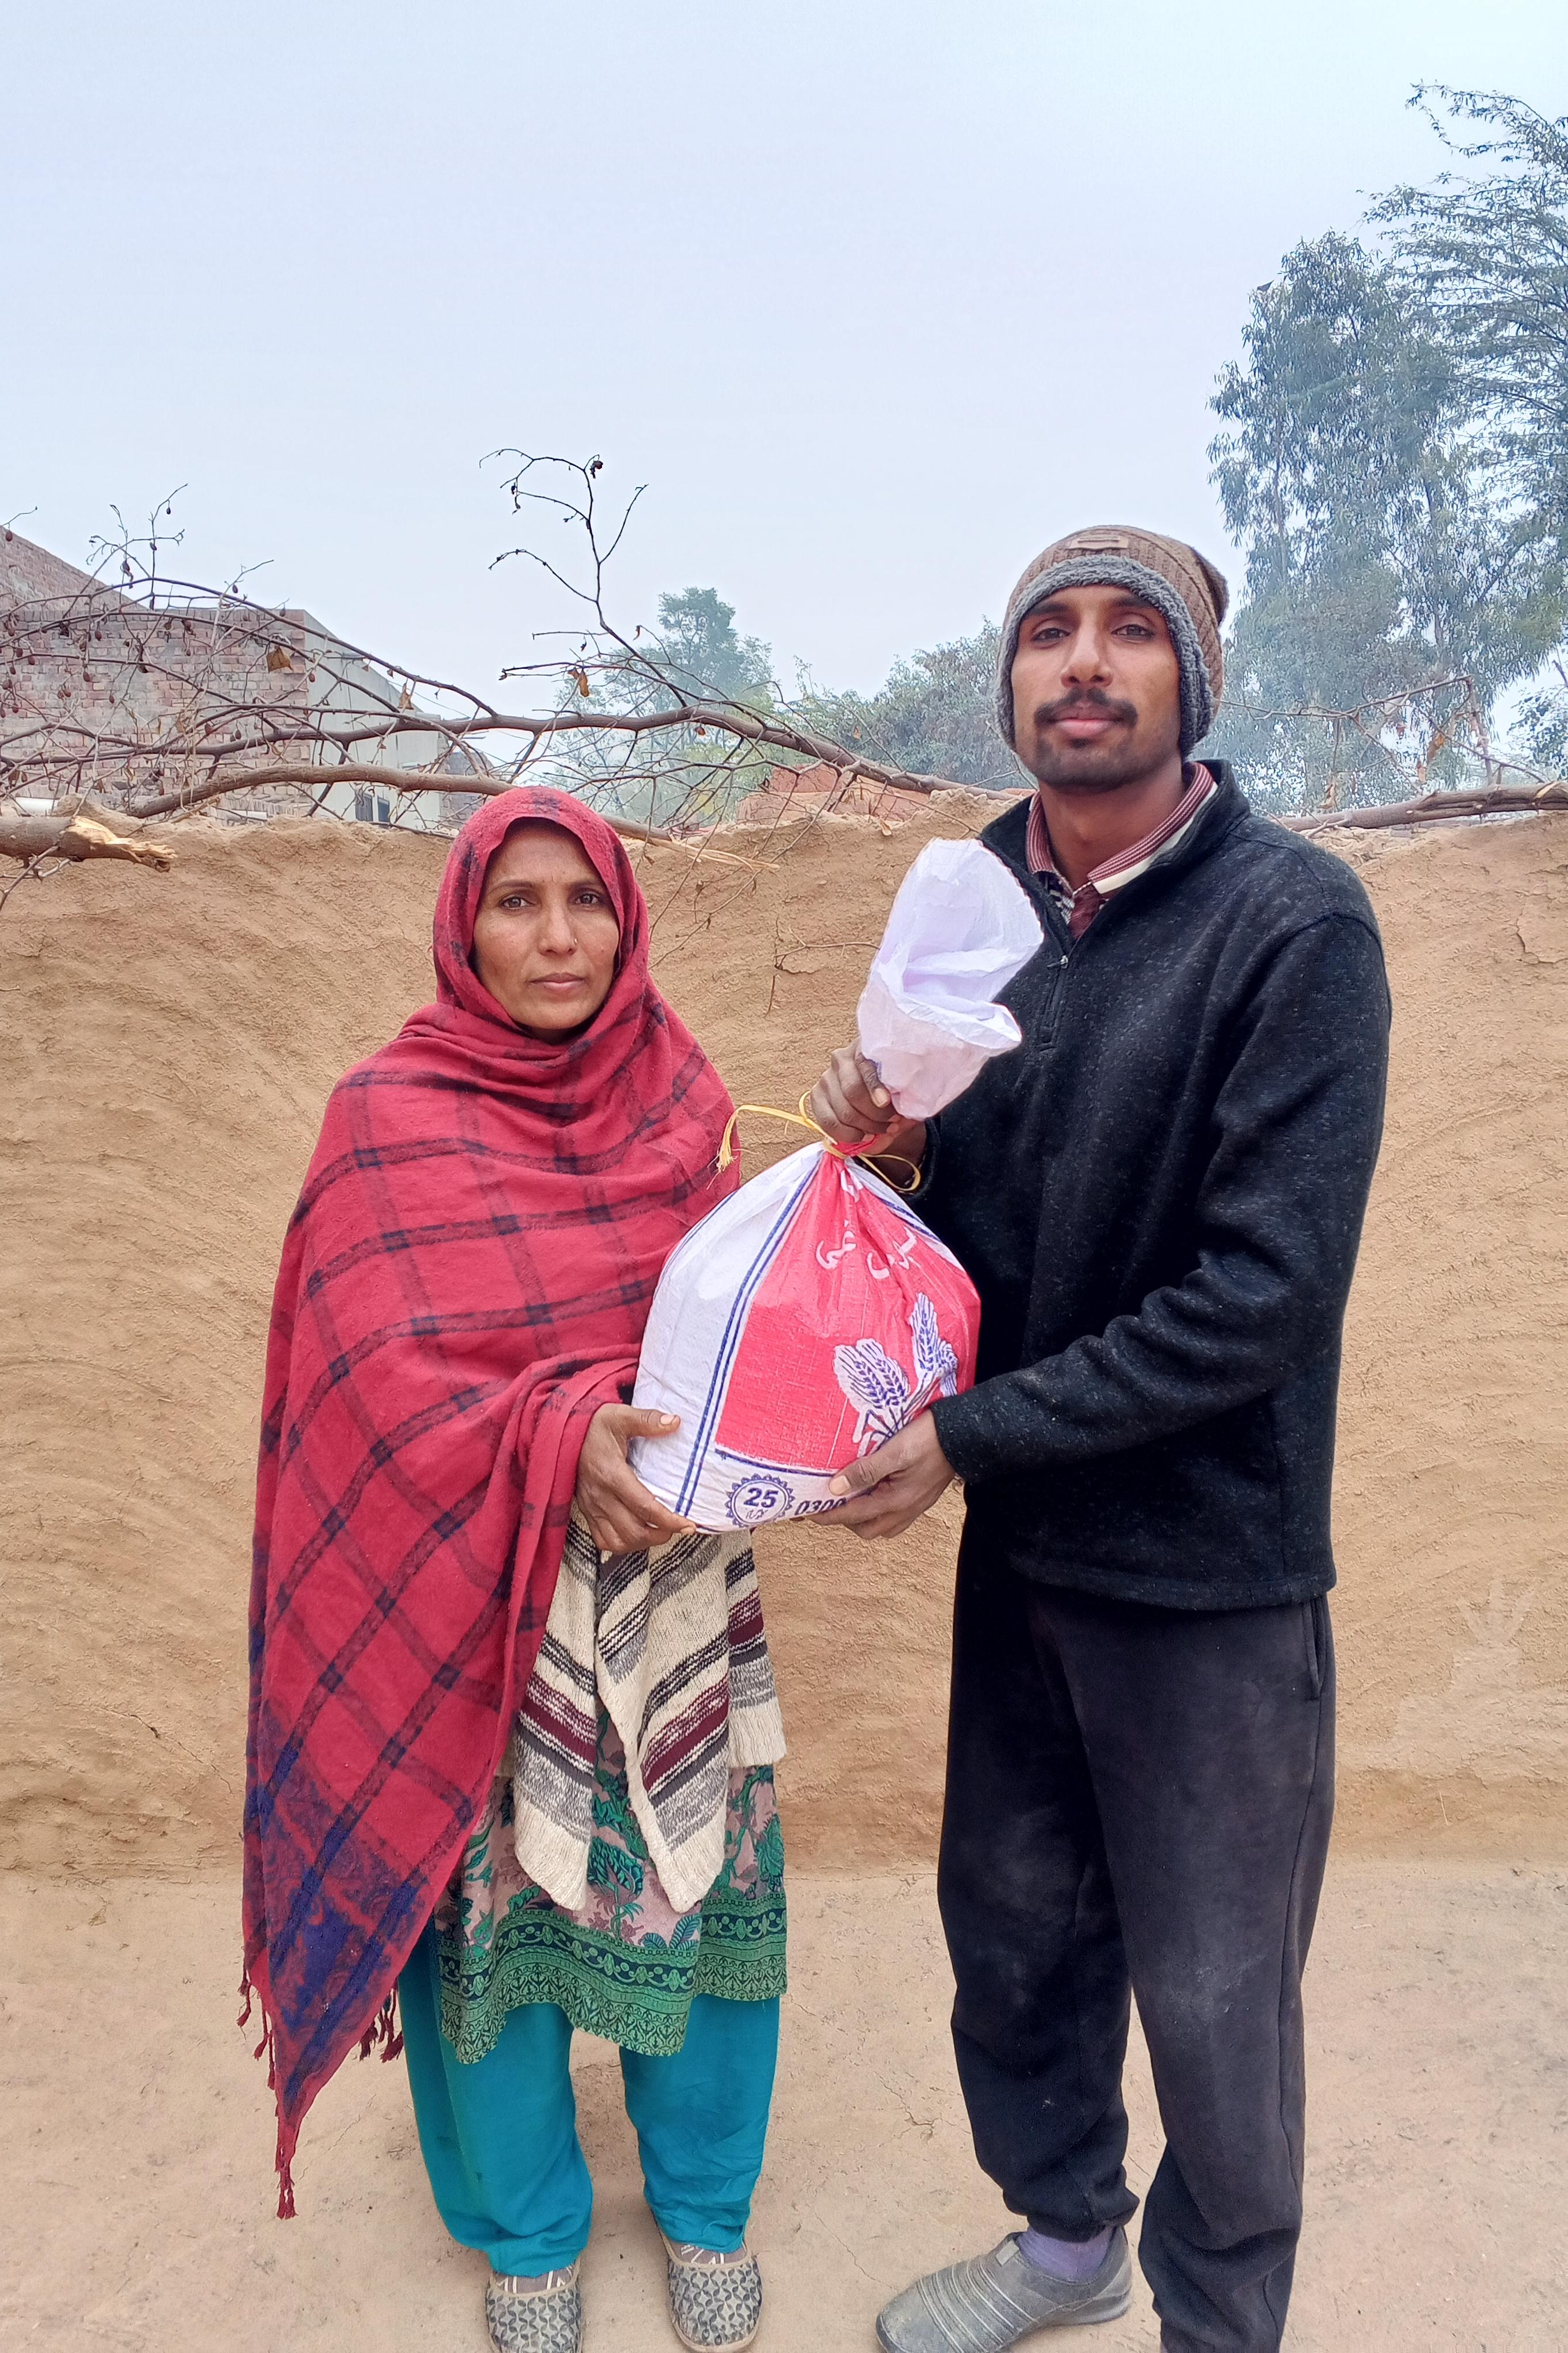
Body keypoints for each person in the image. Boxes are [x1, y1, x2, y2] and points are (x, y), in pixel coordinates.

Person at [809, 527, 1390, 2353]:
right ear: (1008, 685)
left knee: (1219, 2007)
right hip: (1029, 1551)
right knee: (1013, 1938)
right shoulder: (974, 903)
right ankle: (1068, 2247)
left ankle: (1222, 2327)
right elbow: (971, 1244)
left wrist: (975, 1436)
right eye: (1048, 631)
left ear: (1192, 686)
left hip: (1209, 1578)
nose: (1083, 661)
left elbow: (1261, 1298)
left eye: (1132, 631)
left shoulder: (1292, 924)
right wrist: (896, 1158)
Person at [243, 788, 787, 2353]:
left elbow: (737, 1334)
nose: (558, 936)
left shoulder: (686, 1100)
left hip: (674, 1585)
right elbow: (365, 1382)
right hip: (474, 1602)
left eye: (586, 901)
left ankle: (705, 2206)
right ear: (463, 927)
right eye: (517, 902)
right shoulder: (384, 1117)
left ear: (627, 920)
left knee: (702, 1882)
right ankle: (528, 2228)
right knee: (490, 1913)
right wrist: (557, 1441)